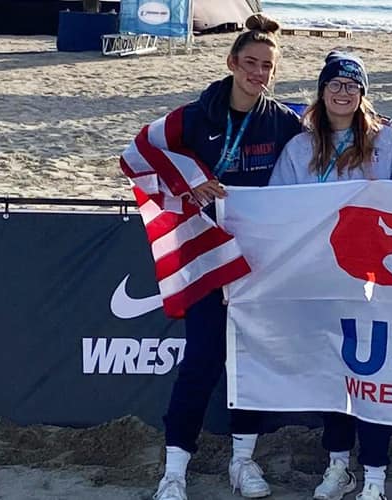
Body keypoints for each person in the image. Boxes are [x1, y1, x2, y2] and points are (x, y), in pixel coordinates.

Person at [121, 14, 302, 500]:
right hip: (205, 256)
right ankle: (174, 470)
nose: (258, 73)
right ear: (231, 62)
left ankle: (243, 462)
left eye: (267, 66)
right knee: (202, 359)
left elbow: (320, 147)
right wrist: (190, 178)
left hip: (258, 260)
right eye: (250, 63)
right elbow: (134, 152)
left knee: (250, 361)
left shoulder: (282, 120)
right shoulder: (196, 115)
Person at [270, 51, 392, 500]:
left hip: (372, 279)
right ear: (322, 90)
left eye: (353, 85)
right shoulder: (299, 147)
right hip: (320, 276)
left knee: (371, 377)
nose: (344, 92)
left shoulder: (387, 144)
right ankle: (338, 467)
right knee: (334, 376)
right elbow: (277, 206)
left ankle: (374, 477)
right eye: (336, 84)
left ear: (363, 93)